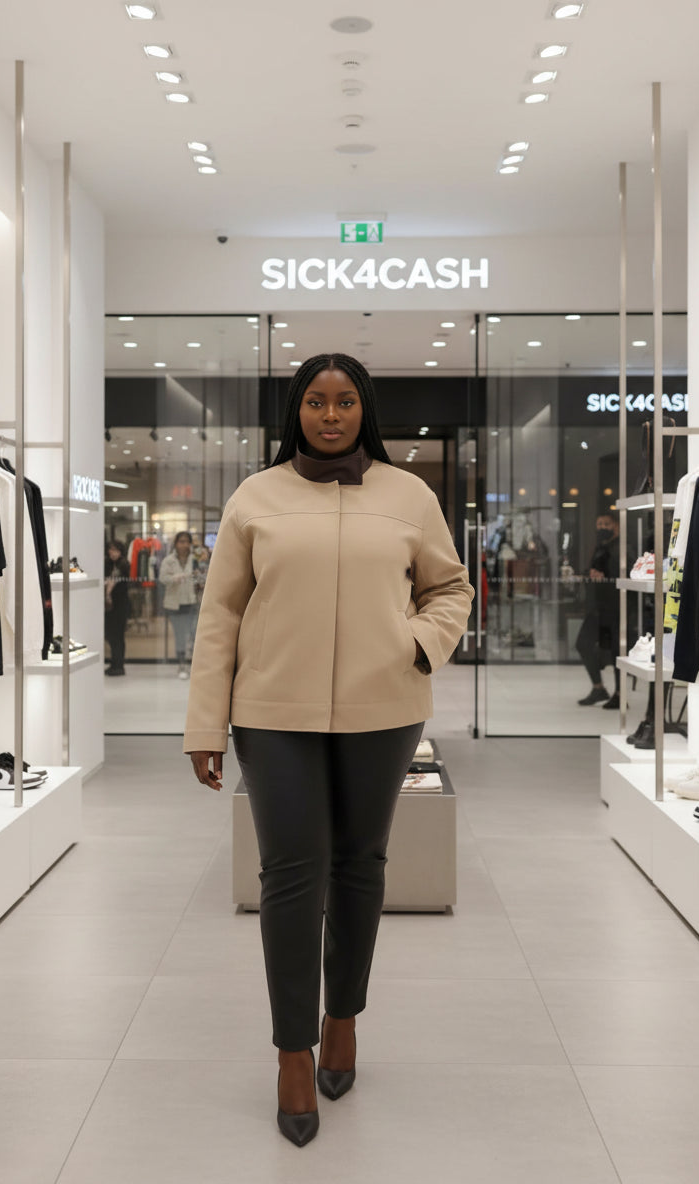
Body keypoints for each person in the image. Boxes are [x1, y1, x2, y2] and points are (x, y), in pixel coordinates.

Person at [184, 353, 474, 1146]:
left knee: (358, 863)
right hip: (273, 712)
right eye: (316, 401)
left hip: (384, 710)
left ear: (364, 409)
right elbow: (220, 617)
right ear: (296, 412)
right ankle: (292, 1049)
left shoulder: (409, 495)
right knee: (289, 874)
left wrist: (415, 646)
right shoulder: (256, 496)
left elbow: (450, 588)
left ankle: (342, 1015)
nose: (332, 414)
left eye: (345, 401)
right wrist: (205, 725)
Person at [575, 512, 621, 707]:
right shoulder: (599, 548)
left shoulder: (621, 548)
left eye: (606, 524)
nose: (602, 527)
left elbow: (620, 574)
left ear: (615, 526)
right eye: (599, 524)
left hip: (615, 608)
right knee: (583, 643)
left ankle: (620, 694)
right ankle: (598, 688)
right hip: (597, 607)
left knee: (617, 651)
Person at [159, 530, 200, 678]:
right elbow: (163, 578)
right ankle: (182, 666)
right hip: (174, 604)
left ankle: (193, 665)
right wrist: (175, 578)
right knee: (179, 636)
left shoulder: (195, 559)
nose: (184, 545)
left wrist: (198, 576)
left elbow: (203, 577)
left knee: (194, 635)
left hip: (191, 602)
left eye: (187, 542)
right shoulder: (168, 560)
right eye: (181, 541)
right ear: (176, 543)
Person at [104, 540, 130, 676]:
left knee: (118, 635)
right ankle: (114, 663)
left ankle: (119, 665)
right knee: (110, 635)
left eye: (115, 550)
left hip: (120, 605)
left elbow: (113, 580)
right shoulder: (108, 564)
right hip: (110, 606)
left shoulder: (123, 564)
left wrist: (107, 591)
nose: (112, 552)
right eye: (110, 549)